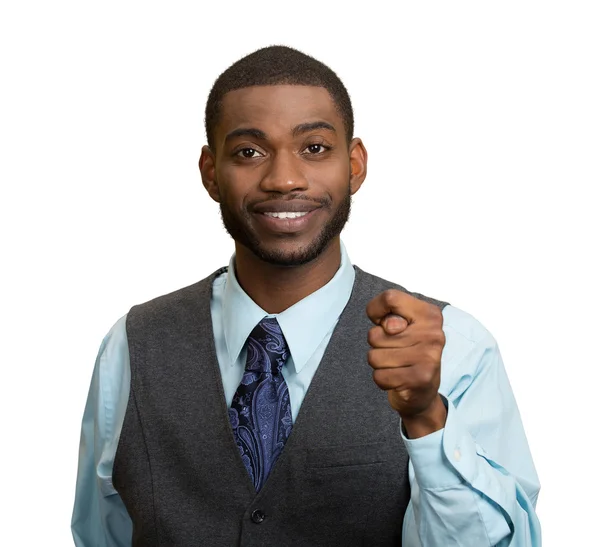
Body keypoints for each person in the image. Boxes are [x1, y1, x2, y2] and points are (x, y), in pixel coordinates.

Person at [71, 45, 541, 546]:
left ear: (355, 165)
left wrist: (427, 418)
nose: (284, 179)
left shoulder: (455, 345)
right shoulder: (133, 343)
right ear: (210, 172)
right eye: (249, 152)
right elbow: (102, 535)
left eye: (314, 148)